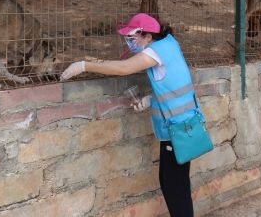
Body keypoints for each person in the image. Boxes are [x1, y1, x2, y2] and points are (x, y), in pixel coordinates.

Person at [60, 13, 199, 217]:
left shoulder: (155, 51)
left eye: (133, 37)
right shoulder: (169, 42)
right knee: (171, 183)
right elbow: (175, 83)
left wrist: (84, 65)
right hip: (182, 124)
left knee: (175, 188)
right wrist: (149, 100)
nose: (129, 42)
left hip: (177, 128)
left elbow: (124, 68)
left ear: (148, 36)